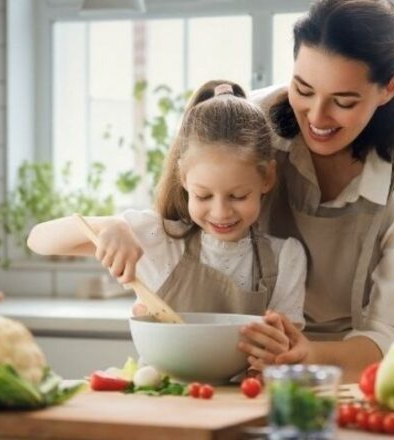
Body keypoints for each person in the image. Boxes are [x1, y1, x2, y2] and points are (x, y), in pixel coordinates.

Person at [237, 0, 394, 381]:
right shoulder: (250, 125)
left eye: (343, 101)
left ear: (389, 87)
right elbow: (185, 219)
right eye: (303, 89)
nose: (317, 117)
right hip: (267, 369)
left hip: (380, 377)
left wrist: (308, 354)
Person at [27, 80, 307, 368]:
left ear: (267, 179)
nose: (221, 211)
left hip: (241, 402)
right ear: (184, 179)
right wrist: (112, 226)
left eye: (238, 196)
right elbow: (38, 240)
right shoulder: (159, 238)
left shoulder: (285, 258)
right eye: (203, 195)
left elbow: (288, 348)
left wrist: (277, 355)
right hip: (162, 398)